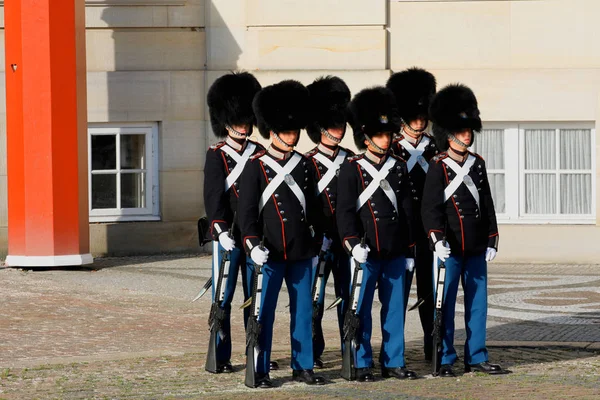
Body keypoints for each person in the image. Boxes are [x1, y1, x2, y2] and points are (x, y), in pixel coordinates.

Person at [238, 80, 326, 388]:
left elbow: (314, 209)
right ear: (272, 131)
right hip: (270, 250)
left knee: (303, 312)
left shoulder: (303, 165)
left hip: (301, 252)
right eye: (287, 131)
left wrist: (318, 242)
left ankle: (303, 366)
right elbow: (246, 213)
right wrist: (251, 245)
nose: (292, 136)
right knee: (264, 314)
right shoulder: (256, 166)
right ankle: (260, 369)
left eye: (295, 131)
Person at [422, 83, 505, 377]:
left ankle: (477, 355)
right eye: (461, 130)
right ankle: (445, 357)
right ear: (449, 132)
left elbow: (487, 203)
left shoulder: (477, 164)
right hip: (450, 247)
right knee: (443, 306)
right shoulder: (438, 166)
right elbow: (430, 209)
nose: (467, 134)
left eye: (469, 129)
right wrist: (437, 239)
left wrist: (492, 238)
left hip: (475, 246)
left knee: (478, 305)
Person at [336, 86, 417, 382]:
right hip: (366, 252)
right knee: (362, 310)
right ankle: (361, 361)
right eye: (381, 134)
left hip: (394, 251)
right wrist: (352, 244)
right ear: (367, 137)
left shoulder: (398, 168)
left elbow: (407, 212)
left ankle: (394, 360)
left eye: (388, 134)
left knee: (395, 310)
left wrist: (409, 251)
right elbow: (344, 212)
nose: (386, 139)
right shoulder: (352, 169)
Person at [203, 72, 263, 373]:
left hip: (255, 238)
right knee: (223, 298)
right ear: (226, 121)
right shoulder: (217, 156)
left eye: (245, 118)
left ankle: (255, 352)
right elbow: (213, 198)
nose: (242, 124)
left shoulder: (259, 154)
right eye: (237, 119)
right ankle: (220, 355)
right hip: (228, 237)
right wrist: (220, 231)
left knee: (255, 297)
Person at [386, 67, 438, 361]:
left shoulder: (436, 148)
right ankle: (395, 353)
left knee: (432, 293)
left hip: (430, 233)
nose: (420, 122)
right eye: (415, 116)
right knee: (398, 296)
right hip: (400, 233)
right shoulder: (392, 150)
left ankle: (435, 346)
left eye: (423, 115)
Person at [304, 76, 354, 368]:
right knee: (316, 300)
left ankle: (351, 345)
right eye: (333, 125)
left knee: (349, 297)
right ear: (320, 129)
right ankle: (314, 350)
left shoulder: (351, 160)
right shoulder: (308, 162)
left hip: (347, 240)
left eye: (340, 125)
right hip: (320, 241)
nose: (338, 130)